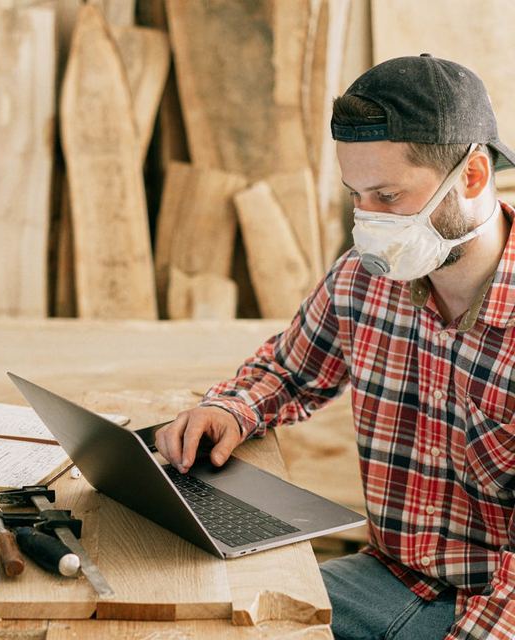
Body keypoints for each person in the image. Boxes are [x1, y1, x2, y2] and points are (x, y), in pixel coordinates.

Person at [154, 54, 515, 640]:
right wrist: (230, 409)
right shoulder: (365, 278)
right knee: (211, 619)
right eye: (356, 196)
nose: (368, 221)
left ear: (472, 176)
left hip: (495, 605)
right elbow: (289, 373)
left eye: (388, 196)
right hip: (388, 577)